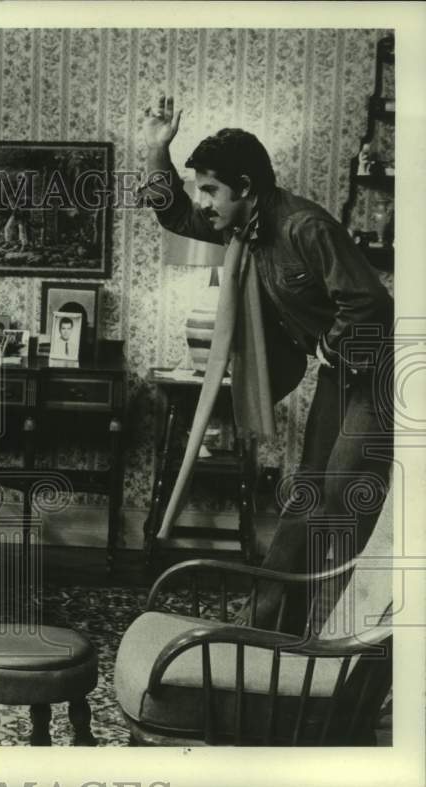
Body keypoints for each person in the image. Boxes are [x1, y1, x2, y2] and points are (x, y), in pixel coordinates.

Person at [140, 95, 393, 629]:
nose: (203, 201)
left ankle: (332, 634)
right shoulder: (242, 225)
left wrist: (330, 345)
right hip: (342, 373)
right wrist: (157, 150)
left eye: (211, 189)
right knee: (308, 492)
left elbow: (371, 303)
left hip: (381, 375)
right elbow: (175, 214)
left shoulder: (305, 227)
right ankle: (269, 625)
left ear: (247, 189)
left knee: (338, 503)